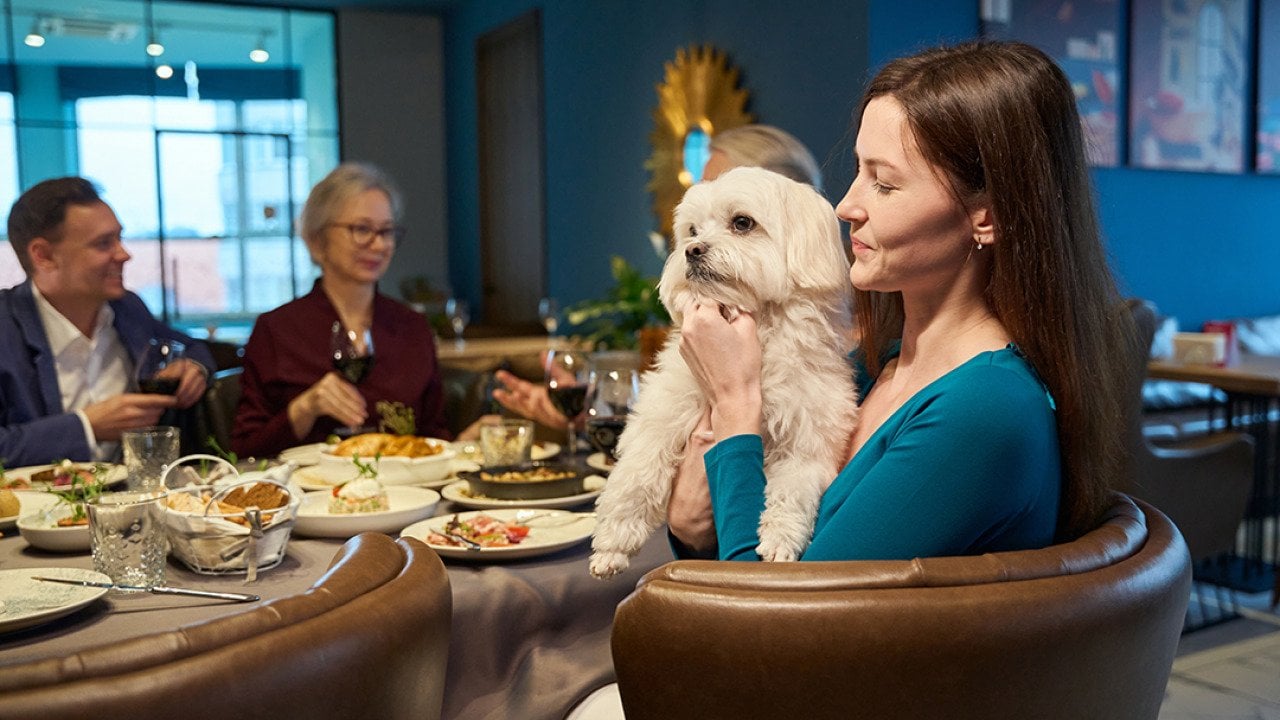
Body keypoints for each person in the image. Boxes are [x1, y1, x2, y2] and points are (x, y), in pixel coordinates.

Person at [669, 40, 1133, 561]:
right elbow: (728, 537)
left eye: (884, 184)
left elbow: (767, 623)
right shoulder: (875, 367)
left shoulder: (984, 412)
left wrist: (735, 400)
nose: (846, 205)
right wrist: (691, 522)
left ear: (986, 216)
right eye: (858, 171)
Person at [491, 123, 824, 428]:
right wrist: (590, 412)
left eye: (737, 221)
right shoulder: (711, 317)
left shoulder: (825, 358)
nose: (699, 243)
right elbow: (680, 421)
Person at [233, 162, 463, 458]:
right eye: (362, 229)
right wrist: (305, 408)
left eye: (387, 231)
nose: (378, 244)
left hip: (405, 493)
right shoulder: (277, 331)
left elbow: (433, 437)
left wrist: (462, 445)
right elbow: (246, 451)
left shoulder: (412, 327)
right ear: (318, 239)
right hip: (309, 497)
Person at [0, 176, 213, 466]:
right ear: (44, 256)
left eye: (119, 238)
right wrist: (87, 426)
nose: (124, 254)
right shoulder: (6, 327)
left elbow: (191, 347)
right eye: (103, 244)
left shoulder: (126, 308)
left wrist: (192, 367)